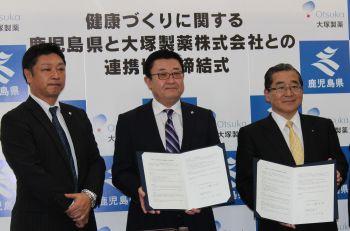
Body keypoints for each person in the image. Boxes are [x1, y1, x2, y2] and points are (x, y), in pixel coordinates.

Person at [0, 43, 106, 231]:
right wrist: (74, 207)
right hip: (39, 223)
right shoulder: (14, 120)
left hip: (84, 222)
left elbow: (95, 162)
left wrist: (88, 197)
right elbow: (31, 174)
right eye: (46, 69)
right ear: (28, 75)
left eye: (61, 69)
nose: (56, 75)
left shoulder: (78, 115)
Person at [112, 49, 220, 231]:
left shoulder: (204, 117)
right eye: (162, 74)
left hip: (198, 221)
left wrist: (205, 196)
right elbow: (121, 172)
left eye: (177, 73)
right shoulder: (129, 121)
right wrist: (138, 189)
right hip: (150, 221)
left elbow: (214, 168)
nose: (171, 80)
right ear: (148, 81)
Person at [236, 63, 348, 231]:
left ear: (302, 91)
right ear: (267, 94)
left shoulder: (323, 126)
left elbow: (341, 163)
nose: (289, 93)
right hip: (276, 225)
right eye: (280, 88)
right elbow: (245, 183)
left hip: (321, 223)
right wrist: (274, 212)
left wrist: (337, 174)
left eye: (295, 86)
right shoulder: (251, 134)